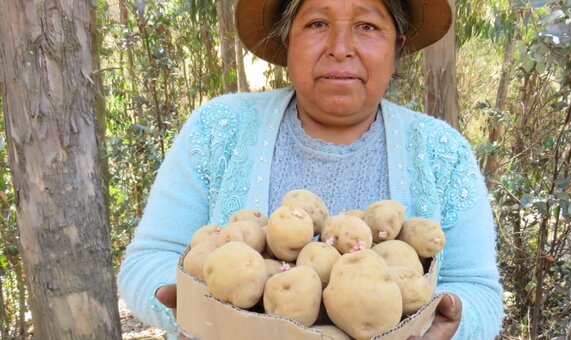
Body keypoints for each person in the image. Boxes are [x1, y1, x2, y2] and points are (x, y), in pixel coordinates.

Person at [118, 0, 504, 338]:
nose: (340, 49)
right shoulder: (219, 128)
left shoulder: (442, 151)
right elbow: (147, 260)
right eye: (317, 23)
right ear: (287, 41)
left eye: (367, 26)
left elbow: (478, 292)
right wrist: (200, 318)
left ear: (397, 47)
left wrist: (445, 328)